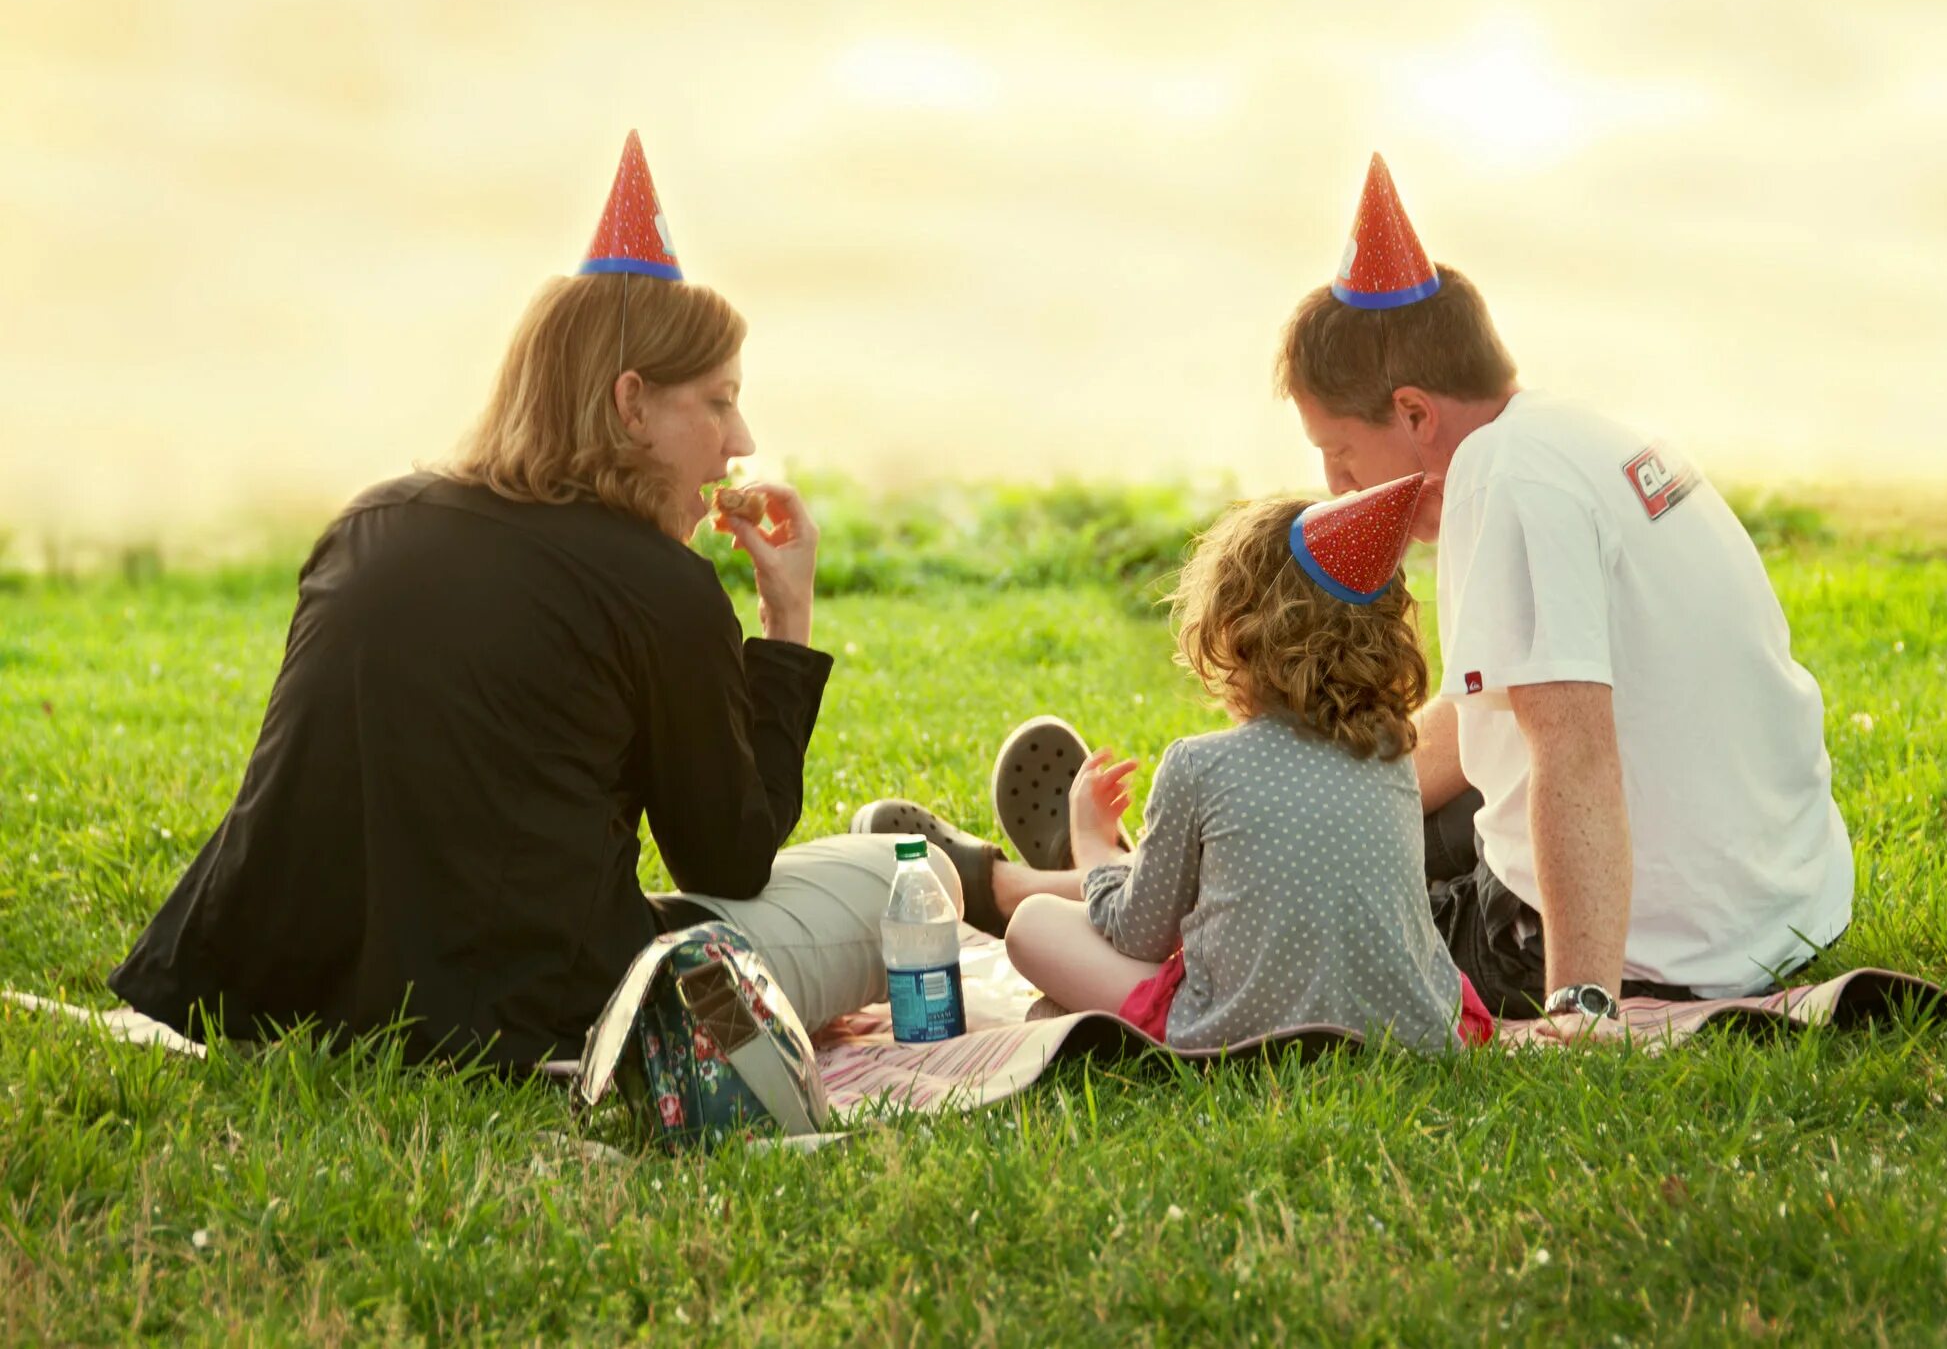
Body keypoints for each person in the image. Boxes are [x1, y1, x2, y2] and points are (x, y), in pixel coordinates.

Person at [108, 132, 952, 1066]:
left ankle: (1014, 870)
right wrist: (786, 627)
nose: (739, 440)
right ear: (631, 404)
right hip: (533, 1010)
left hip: (272, 993)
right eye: (717, 402)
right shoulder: (662, 589)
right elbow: (729, 863)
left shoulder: (369, 523)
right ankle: (997, 877)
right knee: (896, 882)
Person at [1273, 153, 1855, 1034]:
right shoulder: (1577, 435)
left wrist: (1581, 1007)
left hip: (1658, 944)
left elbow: (1574, 748)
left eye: (1343, 457)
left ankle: (1059, 890)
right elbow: (1486, 720)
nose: (1342, 492)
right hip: (1776, 906)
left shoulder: (1503, 483)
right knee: (1339, 823)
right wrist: (1305, 780)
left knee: (1288, 916)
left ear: (1416, 412)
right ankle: (1111, 867)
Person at [865, 481, 1493, 1050]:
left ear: (1231, 625)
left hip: (1239, 1036)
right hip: (1409, 1030)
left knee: (1033, 927)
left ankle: (1095, 872)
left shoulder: (1198, 764)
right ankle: (1124, 873)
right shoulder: (1390, 761)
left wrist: (1091, 844)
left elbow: (1140, 938)